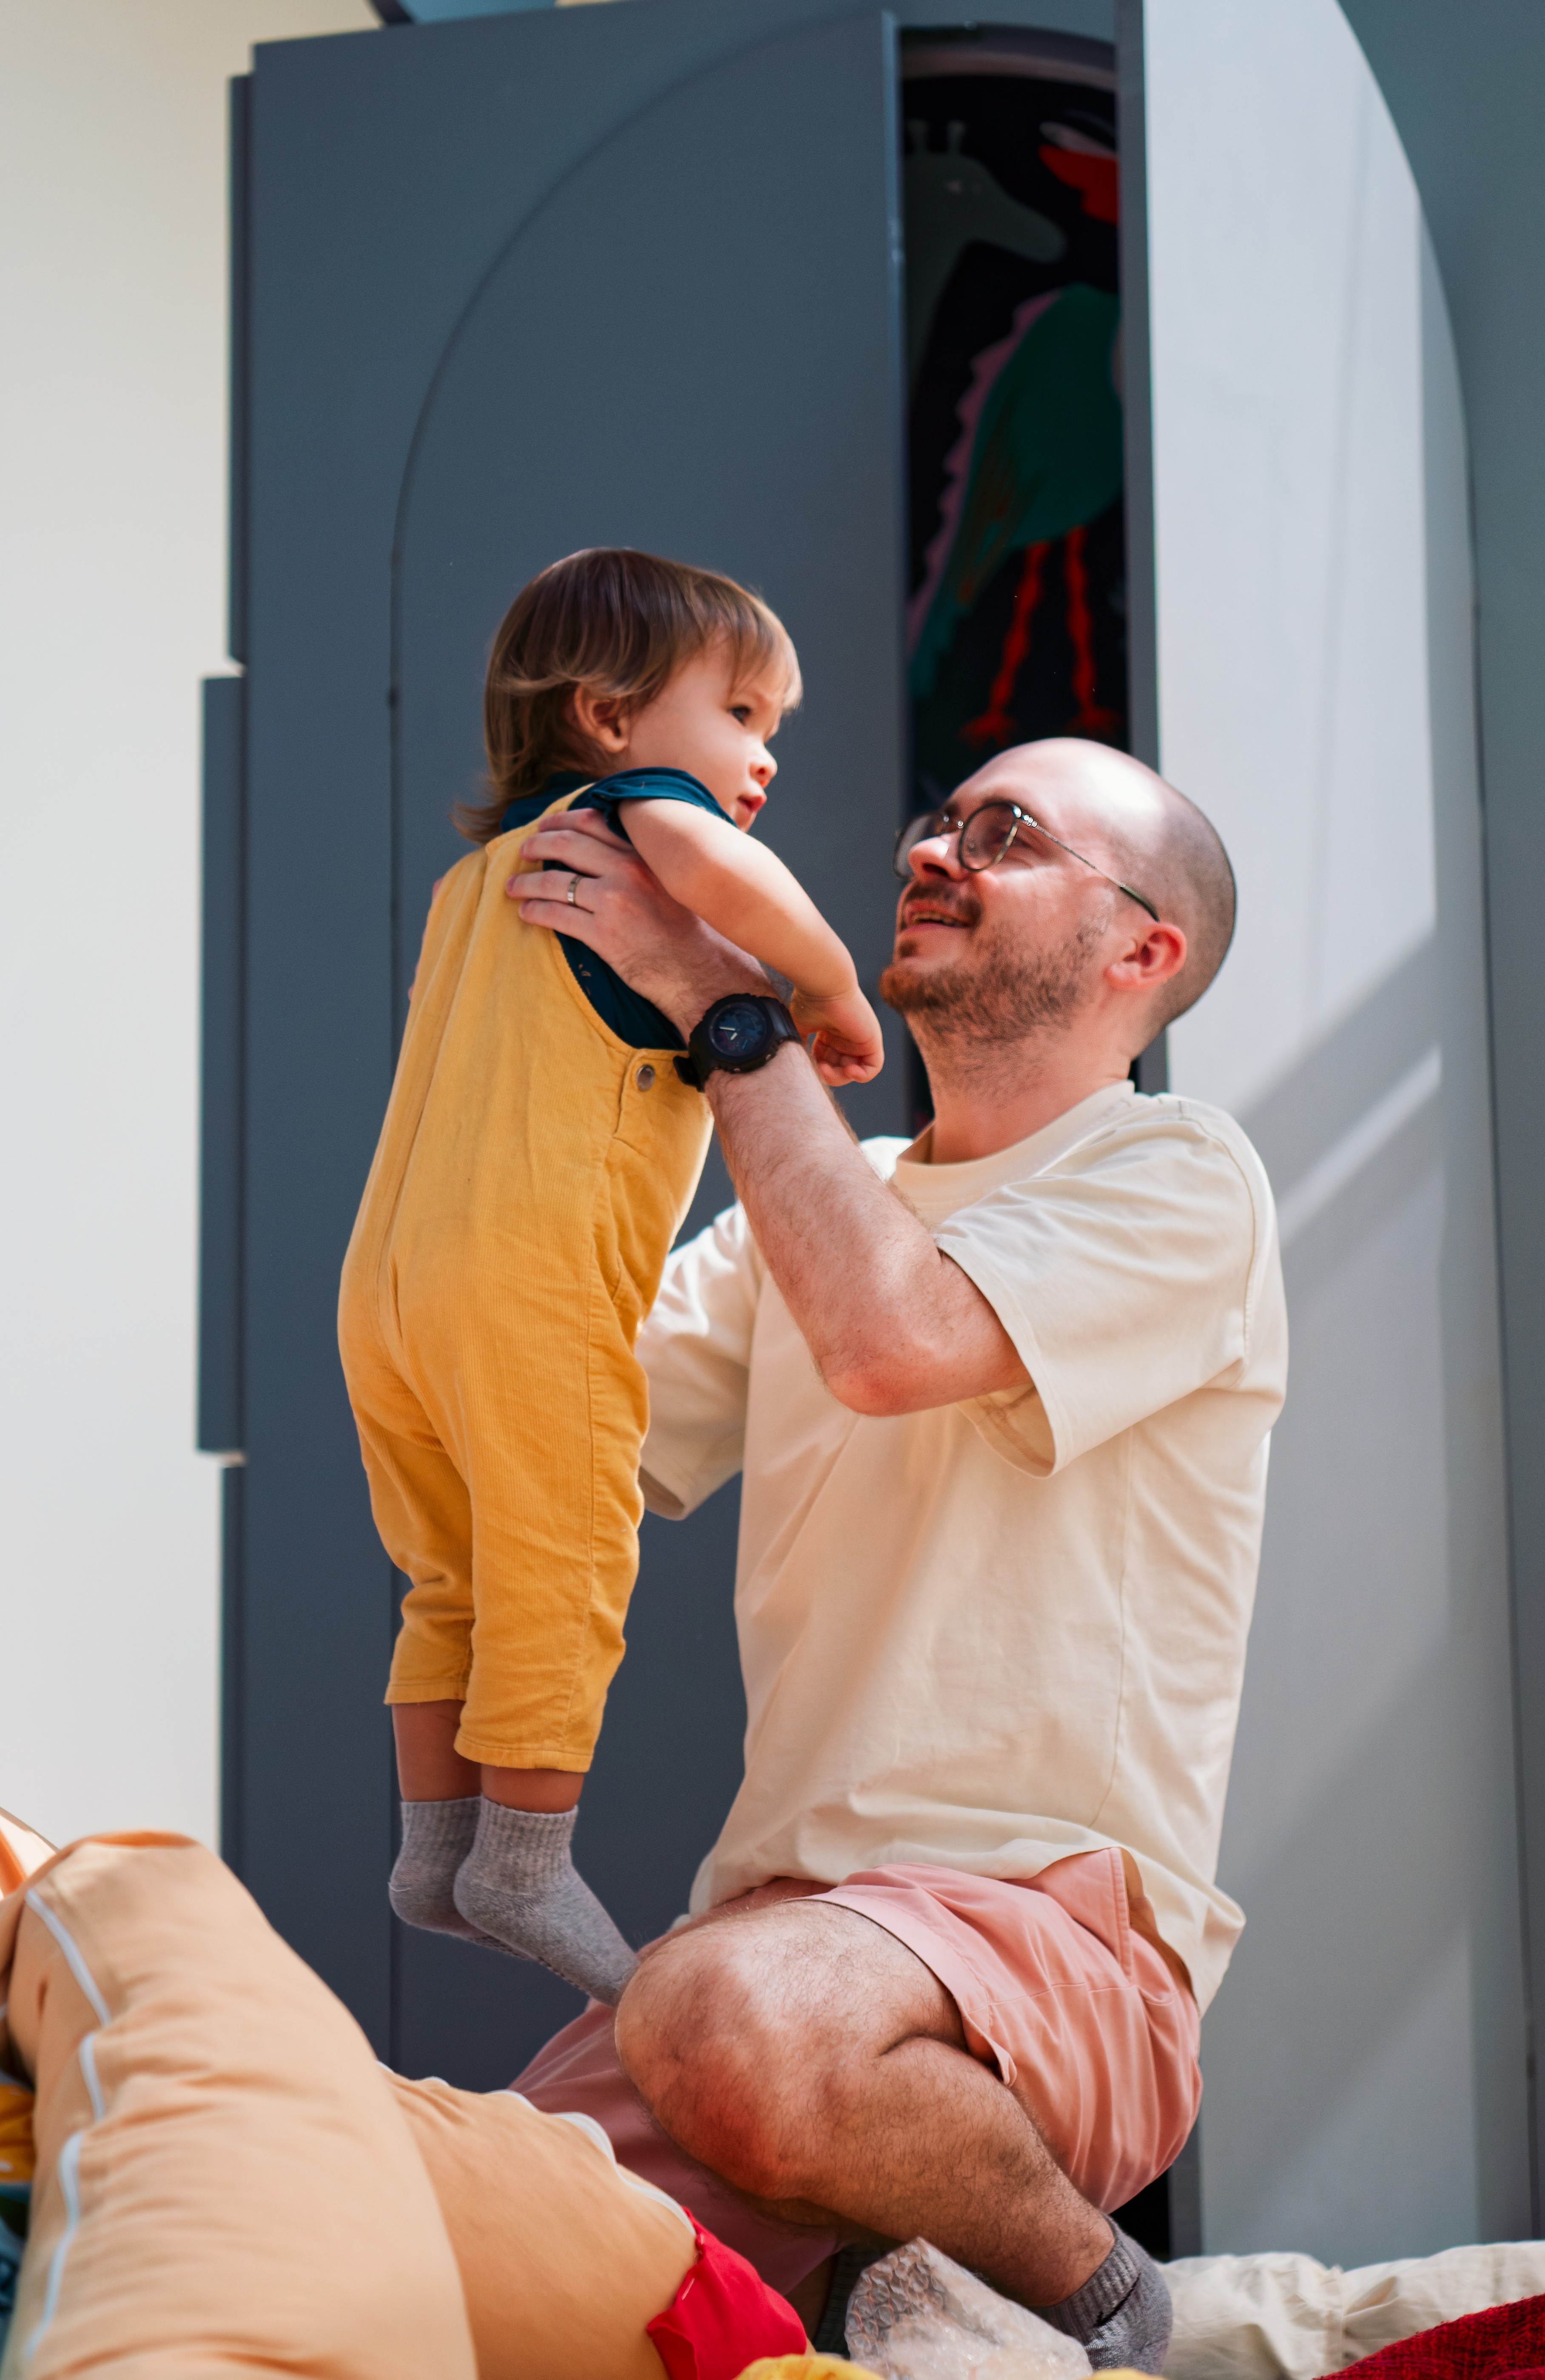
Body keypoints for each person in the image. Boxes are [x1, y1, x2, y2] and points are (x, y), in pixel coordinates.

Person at [501, 734, 1288, 2371]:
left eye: (1004, 834)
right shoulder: (827, 1195)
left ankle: (1115, 2306)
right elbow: (549, 1446)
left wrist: (731, 1018)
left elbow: (893, 1335)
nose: (936, 847)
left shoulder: (1177, 1173)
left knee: (719, 2016)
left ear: (1144, 949)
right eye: (940, 816)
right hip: (780, 1952)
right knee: (424, 2229)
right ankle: (902, 2296)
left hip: (1049, 1942)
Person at [337, 548, 883, 2006]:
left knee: (451, 1565)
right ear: (608, 714)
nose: (763, 756)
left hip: (391, 1291)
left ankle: (433, 1839)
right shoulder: (643, 825)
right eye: (745, 713)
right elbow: (722, 874)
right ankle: (521, 1854)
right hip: (531, 1284)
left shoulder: (481, 883)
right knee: (566, 1552)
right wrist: (826, 988)